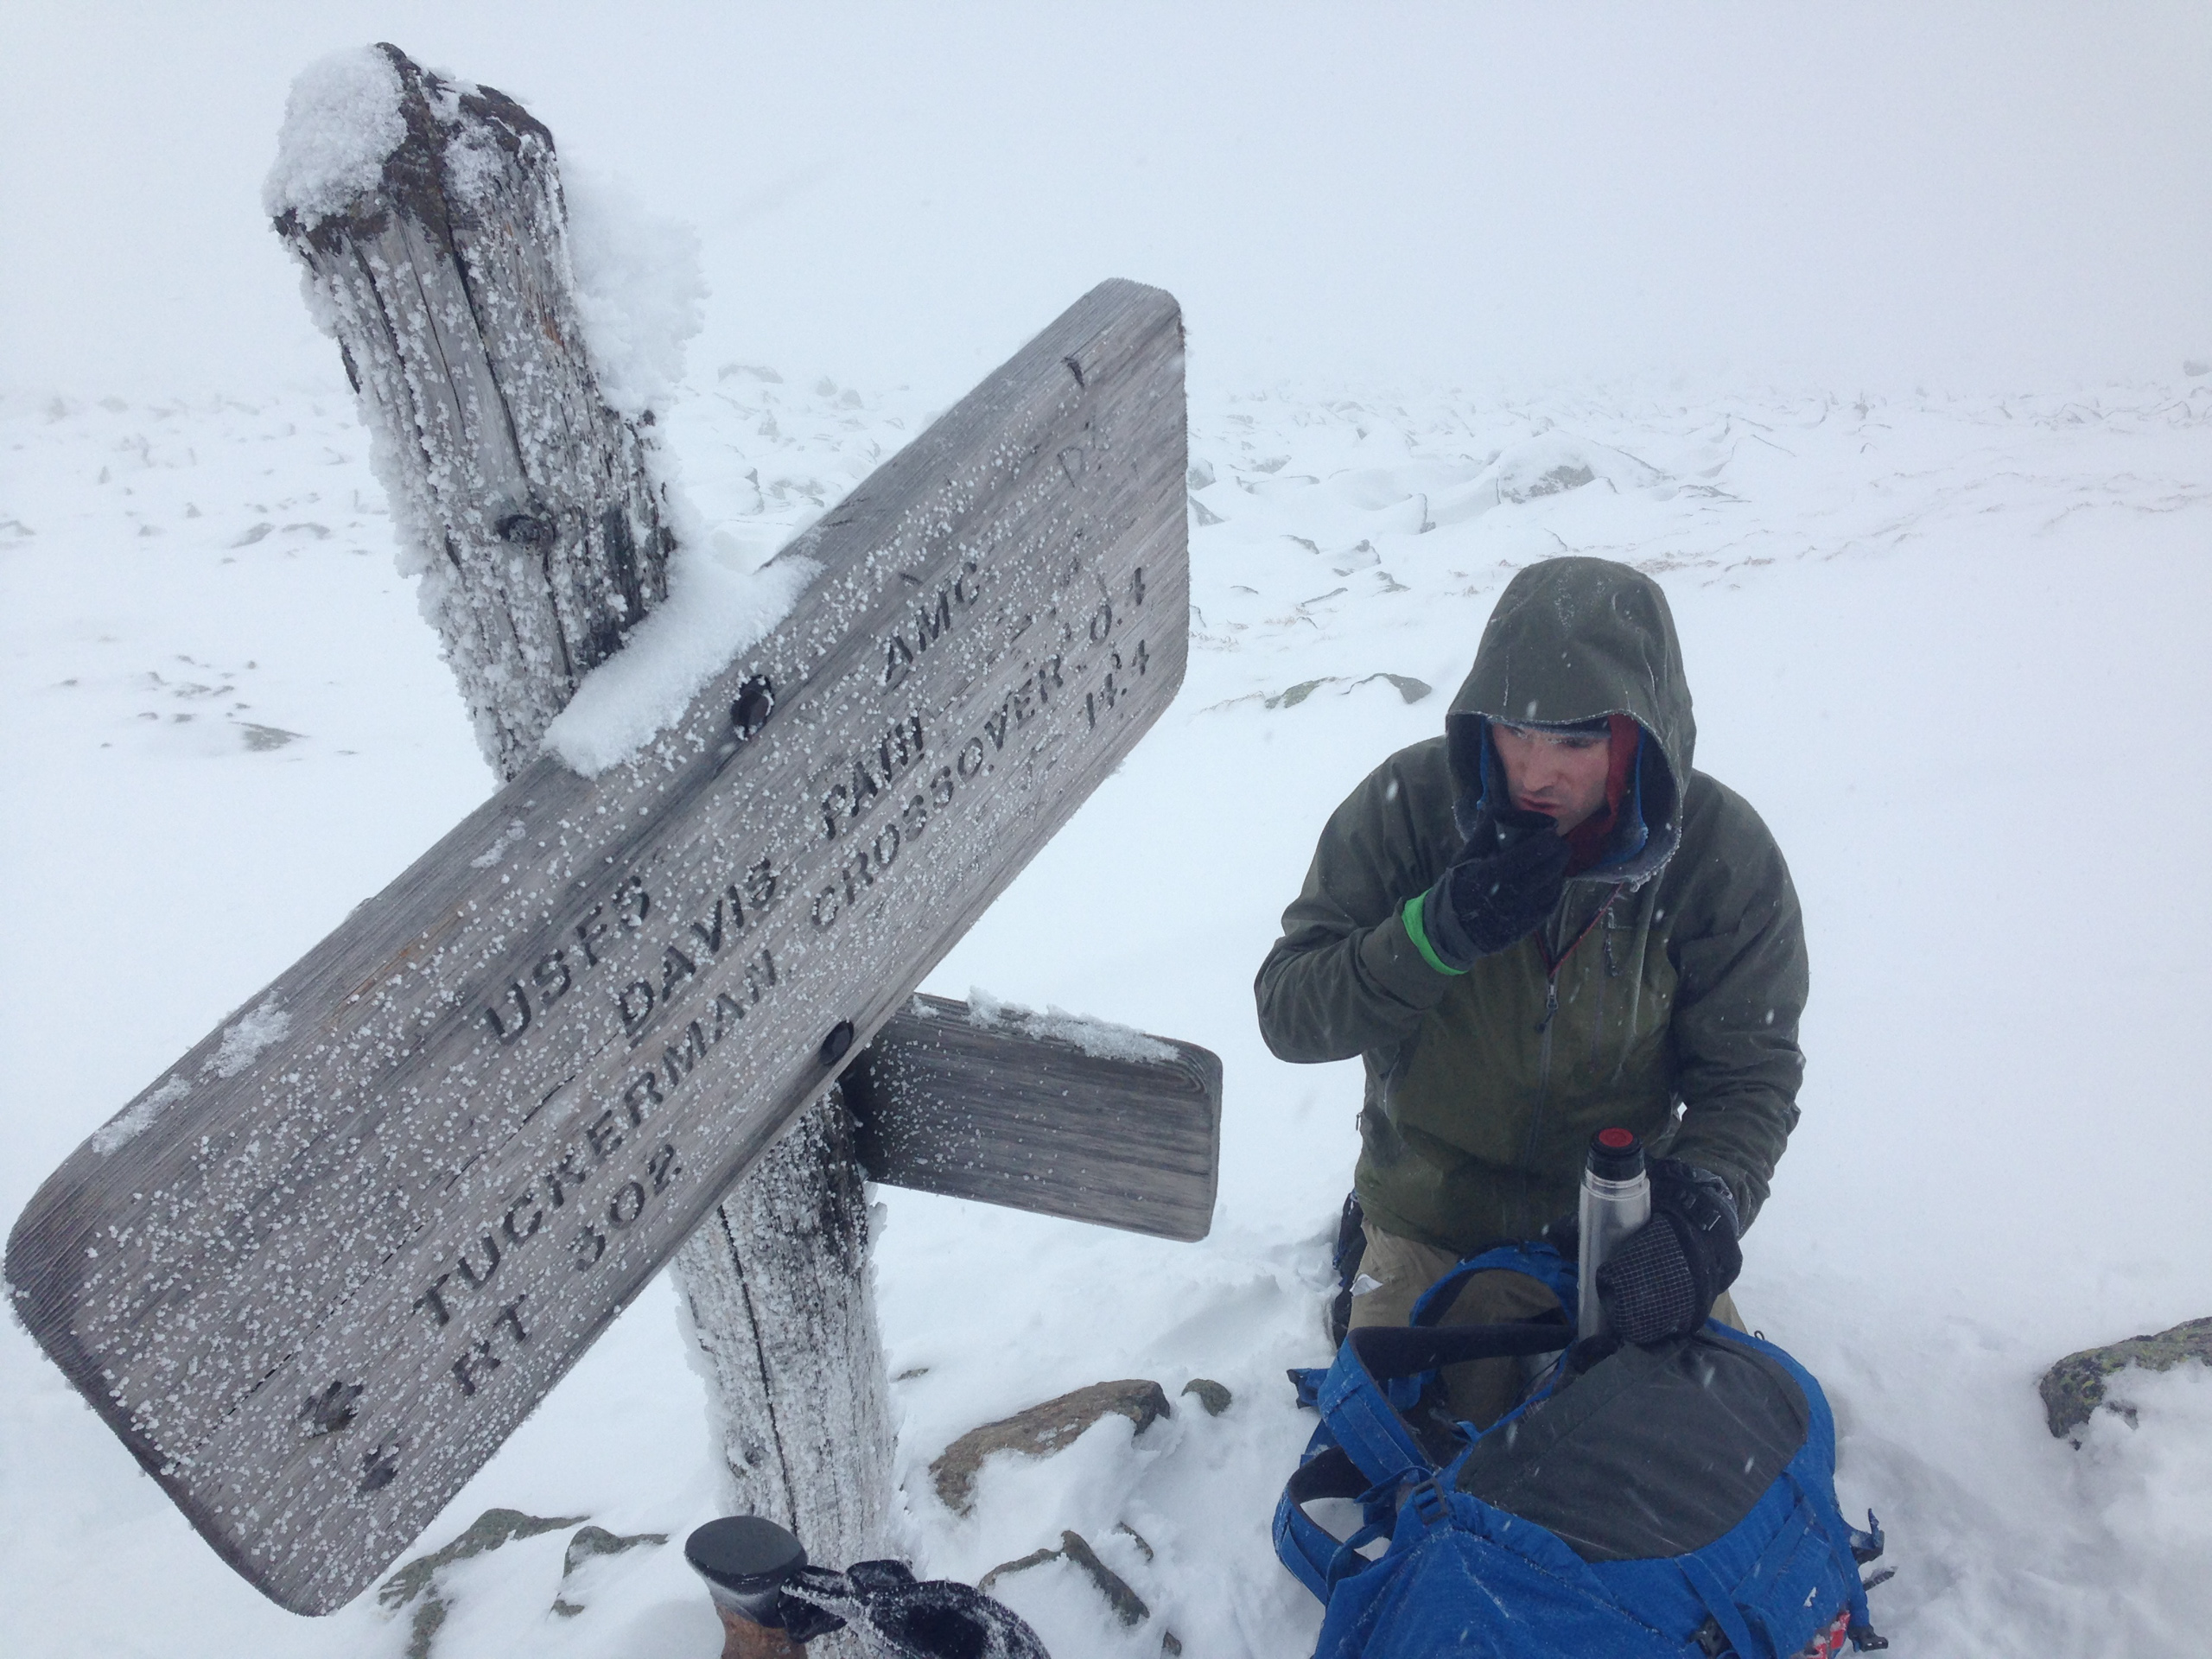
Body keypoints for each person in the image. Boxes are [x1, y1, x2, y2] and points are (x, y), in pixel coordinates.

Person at [1255, 556, 1806, 1426]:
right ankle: (1373, 1259)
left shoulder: (1718, 855)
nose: (1535, 772)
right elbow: (1289, 1014)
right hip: (1430, 1213)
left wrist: (1704, 1202)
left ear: (1639, 738)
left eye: (1578, 742)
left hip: (1621, 1227)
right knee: (1405, 1459)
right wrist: (1434, 935)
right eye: (1515, 732)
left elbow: (1751, 1074)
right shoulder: (1405, 810)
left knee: (1697, 1449)